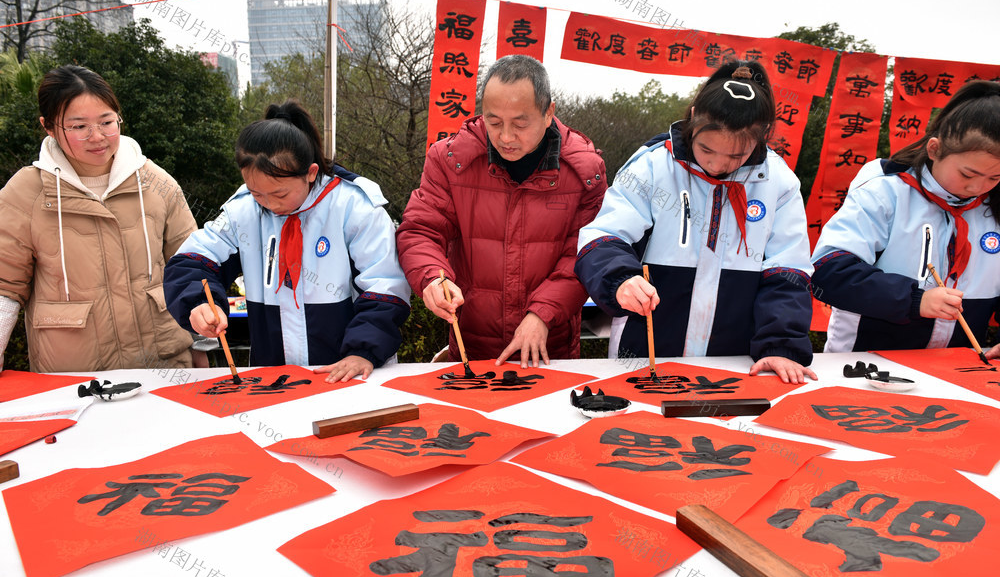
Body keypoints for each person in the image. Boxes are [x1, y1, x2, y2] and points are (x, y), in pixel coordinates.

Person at [575, 60, 816, 384]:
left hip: (733, 364)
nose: (717, 164)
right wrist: (620, 280)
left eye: (736, 156)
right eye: (706, 149)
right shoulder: (654, 165)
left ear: (761, 138)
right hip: (646, 356)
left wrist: (780, 345)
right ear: (692, 118)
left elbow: (788, 270)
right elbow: (602, 235)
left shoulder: (778, 183)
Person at [164, 101, 410, 381]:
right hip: (274, 378)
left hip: (351, 370)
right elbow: (192, 261)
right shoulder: (243, 211)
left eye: (280, 195)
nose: (269, 204)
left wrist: (364, 350)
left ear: (311, 173)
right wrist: (197, 303)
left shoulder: (354, 207)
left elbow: (385, 284)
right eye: (257, 193)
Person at [396, 55, 607, 367]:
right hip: (471, 346)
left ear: (548, 113)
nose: (506, 137)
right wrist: (432, 277)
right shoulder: (450, 160)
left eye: (520, 124)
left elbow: (585, 253)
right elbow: (420, 231)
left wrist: (543, 314)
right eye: (494, 122)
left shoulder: (585, 172)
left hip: (551, 349)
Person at [0, 64, 197, 372]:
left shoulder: (155, 182)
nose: (98, 137)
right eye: (79, 127)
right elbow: (4, 287)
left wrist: (204, 344)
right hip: (71, 377)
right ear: (48, 126)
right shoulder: (25, 193)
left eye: (107, 122)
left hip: (164, 370)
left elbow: (191, 268)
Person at [811, 80, 1000, 357]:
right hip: (868, 363)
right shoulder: (886, 191)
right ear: (935, 150)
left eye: (994, 177)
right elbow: (828, 272)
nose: (977, 188)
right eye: (968, 174)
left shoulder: (993, 205)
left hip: (958, 368)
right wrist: (915, 300)